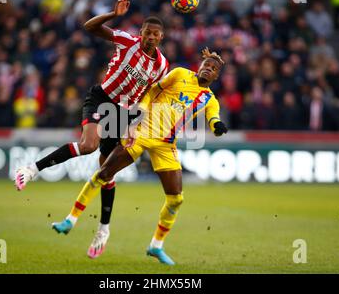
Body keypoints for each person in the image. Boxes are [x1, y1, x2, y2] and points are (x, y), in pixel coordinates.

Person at [14, 0, 169, 255]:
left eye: (155, 34)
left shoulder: (162, 66)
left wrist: (134, 123)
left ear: (161, 37)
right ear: (140, 32)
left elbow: (149, 97)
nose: (150, 37)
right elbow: (89, 27)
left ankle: (103, 230)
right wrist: (112, 14)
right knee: (87, 145)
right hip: (101, 98)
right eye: (147, 32)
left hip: (123, 113)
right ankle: (32, 169)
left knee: (106, 171)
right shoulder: (127, 41)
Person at [51, 48, 228, 264]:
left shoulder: (210, 100)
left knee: (176, 199)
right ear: (199, 66)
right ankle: (71, 219)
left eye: (213, 69)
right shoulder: (180, 74)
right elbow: (153, 90)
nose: (208, 69)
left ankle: (156, 246)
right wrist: (141, 112)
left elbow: (213, 118)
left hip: (165, 145)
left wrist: (217, 126)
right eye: (206, 65)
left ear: (217, 76)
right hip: (142, 132)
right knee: (105, 173)